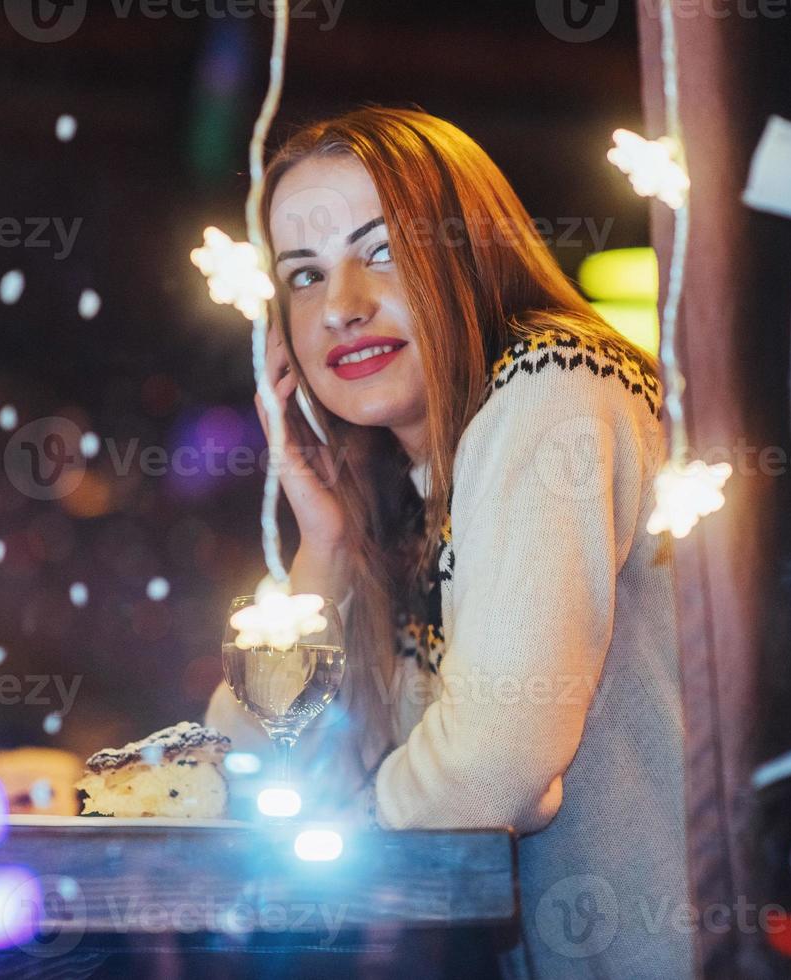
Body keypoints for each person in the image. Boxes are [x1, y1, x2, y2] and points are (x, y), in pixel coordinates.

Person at [206, 106, 693, 979]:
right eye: (305, 276)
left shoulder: (554, 389)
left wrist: (311, 855)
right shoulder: (407, 479)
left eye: (382, 251)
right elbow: (239, 767)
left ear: (468, 250)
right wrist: (325, 551)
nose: (342, 308)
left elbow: (490, 764)